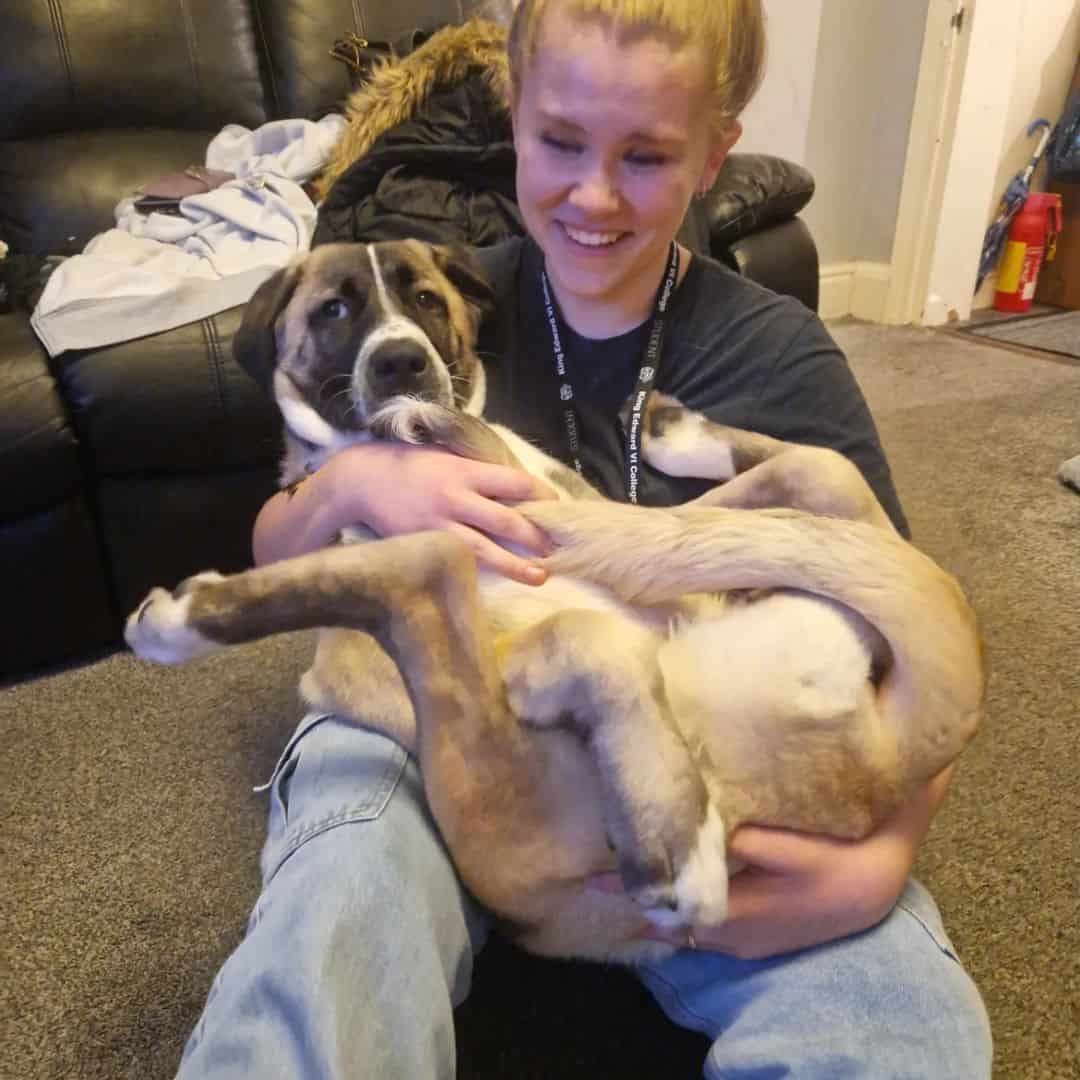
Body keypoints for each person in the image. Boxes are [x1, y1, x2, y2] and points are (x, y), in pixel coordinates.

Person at [176, 0, 993, 1076]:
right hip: (429, 718)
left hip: (707, 757)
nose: (594, 195)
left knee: (894, 1017)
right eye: (560, 142)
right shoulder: (445, 305)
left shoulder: (777, 357)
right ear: (514, 120)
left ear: (714, 156)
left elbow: (899, 627)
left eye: (647, 155)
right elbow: (280, 553)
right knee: (341, 883)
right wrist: (353, 480)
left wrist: (885, 854)